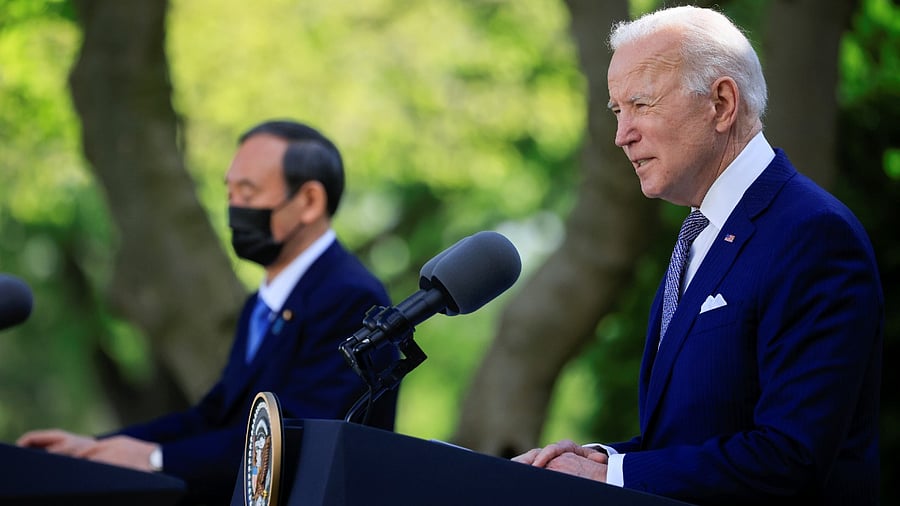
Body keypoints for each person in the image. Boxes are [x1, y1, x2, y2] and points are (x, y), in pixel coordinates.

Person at [513, 6, 883, 505]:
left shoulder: (813, 234)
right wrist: (600, 462)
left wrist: (613, 478)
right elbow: (689, 440)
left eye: (641, 104)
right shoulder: (699, 233)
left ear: (722, 103)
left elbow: (791, 456)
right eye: (618, 110)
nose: (622, 135)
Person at [17, 119, 398, 504]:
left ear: (310, 201)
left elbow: (292, 442)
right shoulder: (261, 305)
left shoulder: (352, 299)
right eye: (229, 192)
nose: (234, 207)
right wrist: (92, 449)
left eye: (248, 192)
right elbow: (214, 416)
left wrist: (154, 459)